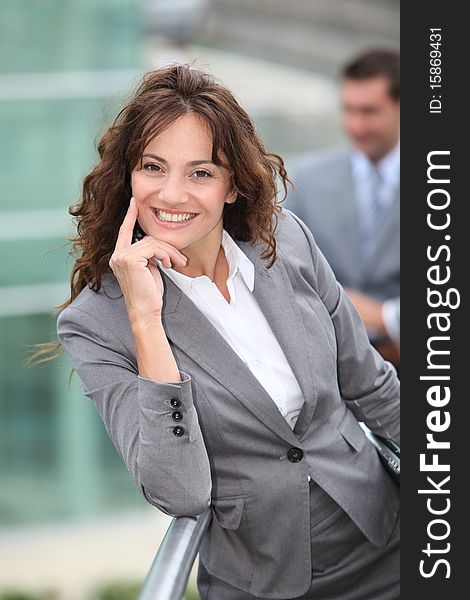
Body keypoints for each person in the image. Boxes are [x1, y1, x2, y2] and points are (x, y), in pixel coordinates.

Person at [38, 65, 399, 599]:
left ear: (233, 185)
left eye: (201, 173)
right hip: (265, 579)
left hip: (386, 539)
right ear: (127, 177)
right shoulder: (95, 323)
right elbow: (179, 489)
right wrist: (145, 320)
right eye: (153, 167)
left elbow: (371, 386)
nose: (172, 194)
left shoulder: (286, 240)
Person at [286, 48, 400, 365]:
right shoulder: (310, 178)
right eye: (348, 110)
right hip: (330, 361)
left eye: (369, 111)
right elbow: (283, 264)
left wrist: (387, 317)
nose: (355, 125)